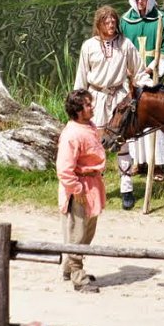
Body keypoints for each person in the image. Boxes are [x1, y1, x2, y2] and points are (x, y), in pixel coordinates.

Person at [74, 5, 152, 211]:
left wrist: (151, 87)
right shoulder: (88, 46)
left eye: (113, 21)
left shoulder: (125, 45)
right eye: (106, 22)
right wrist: (78, 104)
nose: (111, 25)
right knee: (94, 145)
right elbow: (81, 77)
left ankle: (126, 189)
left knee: (122, 144)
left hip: (119, 98)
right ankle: (94, 188)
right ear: (98, 24)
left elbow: (138, 71)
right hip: (96, 98)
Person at [119, 0, 164, 188]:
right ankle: (138, 161)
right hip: (133, 78)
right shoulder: (126, 21)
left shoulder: (162, 19)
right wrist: (128, 70)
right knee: (135, 118)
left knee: (156, 119)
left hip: (154, 77)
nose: (141, 2)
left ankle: (158, 163)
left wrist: (153, 68)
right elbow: (121, 48)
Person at [56, 89, 106, 294]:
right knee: (77, 234)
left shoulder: (89, 126)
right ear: (77, 110)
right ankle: (78, 276)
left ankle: (69, 268)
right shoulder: (72, 134)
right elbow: (64, 168)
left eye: (90, 103)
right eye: (87, 104)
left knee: (87, 232)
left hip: (92, 185)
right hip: (80, 188)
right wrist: (76, 189)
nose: (91, 106)